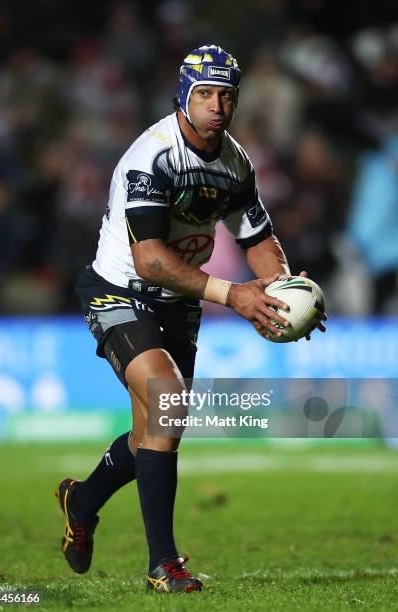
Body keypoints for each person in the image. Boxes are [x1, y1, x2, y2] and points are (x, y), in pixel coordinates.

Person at [55, 44, 326, 593]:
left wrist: (283, 292)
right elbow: (149, 258)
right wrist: (235, 296)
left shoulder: (234, 163)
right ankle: (164, 565)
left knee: (155, 433)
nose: (218, 106)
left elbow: (259, 239)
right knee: (166, 403)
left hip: (178, 303)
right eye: (205, 94)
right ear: (184, 96)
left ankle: (80, 502)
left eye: (227, 95)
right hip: (120, 291)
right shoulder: (151, 157)